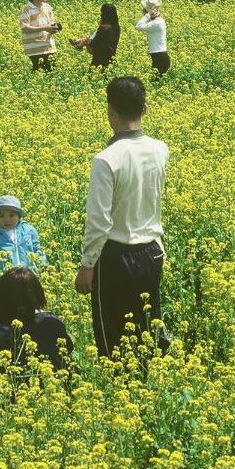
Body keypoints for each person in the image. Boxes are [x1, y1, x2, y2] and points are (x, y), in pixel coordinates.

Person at [75, 77, 170, 360]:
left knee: (113, 339)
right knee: (147, 330)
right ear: (145, 108)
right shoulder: (160, 149)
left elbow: (99, 220)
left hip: (116, 256)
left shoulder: (106, 158)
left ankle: (121, 391)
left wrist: (87, 265)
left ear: (110, 112)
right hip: (153, 251)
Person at [0, 267, 73, 373]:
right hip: (55, 384)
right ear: (37, 294)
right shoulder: (52, 323)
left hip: (4, 386)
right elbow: (68, 349)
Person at [0, 195, 46, 272]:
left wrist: (44, 268)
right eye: (1, 216)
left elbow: (37, 250)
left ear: (19, 216)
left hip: (29, 275)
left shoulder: (29, 230)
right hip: (6, 277)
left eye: (12, 215)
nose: (7, 219)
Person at [19, 0, 61, 71]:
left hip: (49, 48)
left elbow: (50, 24)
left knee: (51, 76)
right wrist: (45, 28)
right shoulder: (26, 9)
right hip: (34, 51)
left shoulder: (47, 7)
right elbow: (25, 28)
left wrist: (53, 28)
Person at [70, 3, 120, 69]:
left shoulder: (103, 28)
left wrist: (86, 43)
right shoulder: (116, 27)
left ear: (104, 14)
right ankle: (79, 43)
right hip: (111, 61)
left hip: (99, 62)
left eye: (101, 13)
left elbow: (93, 45)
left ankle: (79, 43)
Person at [133, 0, 169, 75]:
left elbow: (138, 26)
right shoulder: (157, 20)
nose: (142, 11)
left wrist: (148, 15)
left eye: (144, 10)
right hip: (158, 57)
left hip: (160, 58)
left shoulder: (156, 23)